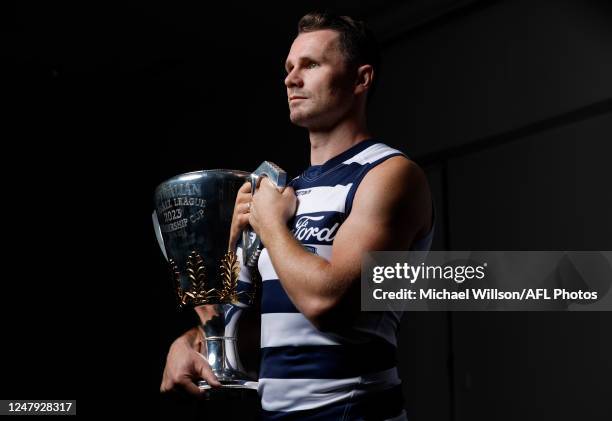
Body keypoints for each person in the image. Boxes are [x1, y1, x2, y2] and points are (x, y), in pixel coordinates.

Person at [161, 12, 434, 420]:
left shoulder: (389, 175)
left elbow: (331, 305)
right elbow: (258, 333)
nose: (291, 79)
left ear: (361, 79)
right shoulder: (288, 191)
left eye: (311, 65)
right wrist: (193, 341)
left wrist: (270, 226)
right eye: (289, 68)